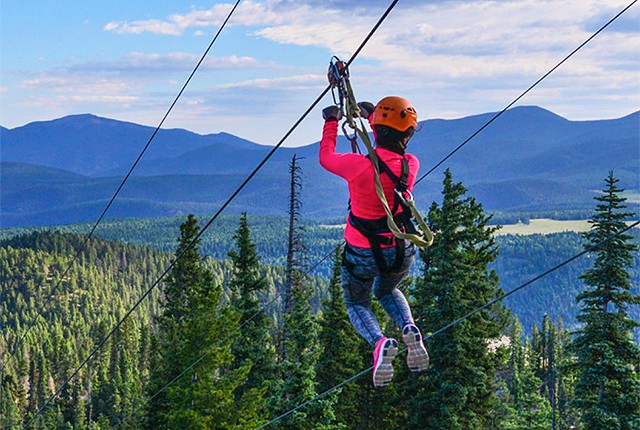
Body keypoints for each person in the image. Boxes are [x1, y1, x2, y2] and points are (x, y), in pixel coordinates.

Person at [319, 96, 430, 388]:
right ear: (409, 134)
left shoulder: (357, 166)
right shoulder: (410, 164)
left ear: (377, 129)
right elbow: (387, 143)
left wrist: (331, 121)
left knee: (357, 302)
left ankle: (379, 342)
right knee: (388, 289)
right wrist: (371, 117)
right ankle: (408, 326)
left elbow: (326, 157)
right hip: (401, 246)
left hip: (362, 249)